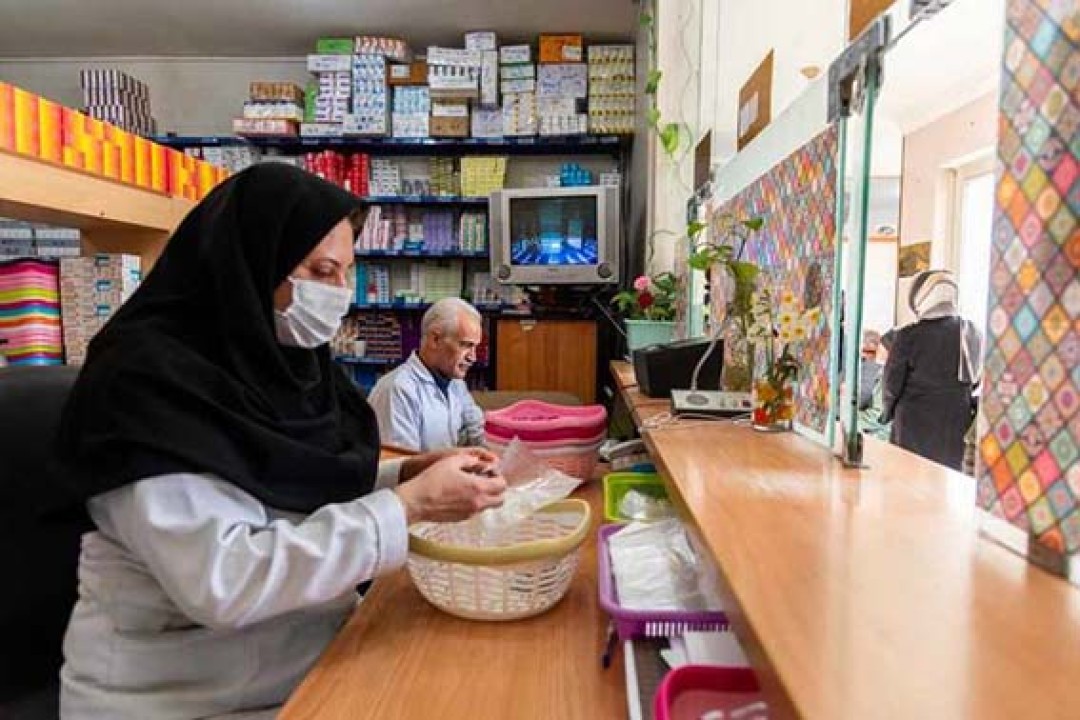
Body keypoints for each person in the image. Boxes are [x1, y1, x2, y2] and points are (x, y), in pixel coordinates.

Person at [54, 164, 506, 720]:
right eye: (321, 271)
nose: (338, 295)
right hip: (178, 699)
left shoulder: (280, 366)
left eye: (346, 273)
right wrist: (407, 506)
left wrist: (402, 477)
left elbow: (289, 481)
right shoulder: (146, 389)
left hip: (308, 662)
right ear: (251, 262)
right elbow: (225, 580)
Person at [882, 269, 981, 471]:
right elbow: (975, 379)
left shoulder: (908, 336)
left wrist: (886, 412)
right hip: (954, 422)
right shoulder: (971, 332)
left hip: (912, 424)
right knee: (945, 479)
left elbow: (891, 384)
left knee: (907, 478)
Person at [367, 297, 486, 452]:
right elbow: (400, 462)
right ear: (435, 339)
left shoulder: (455, 383)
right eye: (465, 345)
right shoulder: (398, 390)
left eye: (475, 347)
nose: (473, 357)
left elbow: (476, 430)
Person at [857, 329, 890, 441]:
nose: (864, 356)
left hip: (877, 437)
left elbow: (878, 415)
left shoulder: (882, 374)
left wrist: (849, 417)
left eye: (869, 352)